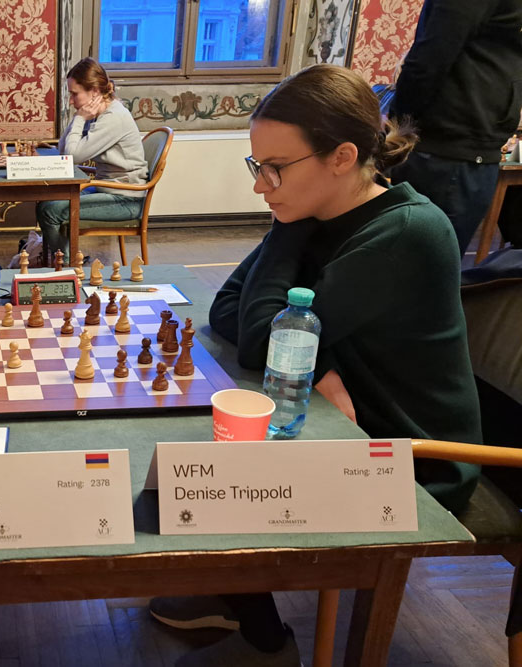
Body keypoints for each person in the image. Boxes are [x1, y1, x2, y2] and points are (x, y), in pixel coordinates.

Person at [151, 64, 483, 666]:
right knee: (203, 430)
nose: (261, 186)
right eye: (257, 166)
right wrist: (312, 357)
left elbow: (258, 338)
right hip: (338, 416)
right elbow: (229, 307)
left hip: (411, 453)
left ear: (342, 157)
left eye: (276, 168)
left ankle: (265, 642)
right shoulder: (318, 211)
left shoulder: (406, 230)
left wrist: (286, 238)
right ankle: (231, 592)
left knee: (213, 458)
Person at [388, 0, 522, 256]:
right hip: (454, 148)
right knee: (423, 265)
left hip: (454, 151)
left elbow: (430, 58)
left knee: (421, 266)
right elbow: (430, 58)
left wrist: (398, 124)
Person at [36, 58, 147, 264]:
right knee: (47, 202)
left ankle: (66, 265)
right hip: (108, 190)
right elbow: (64, 150)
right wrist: (78, 117)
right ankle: (64, 259)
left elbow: (72, 156)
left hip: (125, 200)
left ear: (94, 91)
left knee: (49, 210)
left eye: (74, 94)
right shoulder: (99, 114)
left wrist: (80, 118)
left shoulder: (113, 117)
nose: (71, 101)